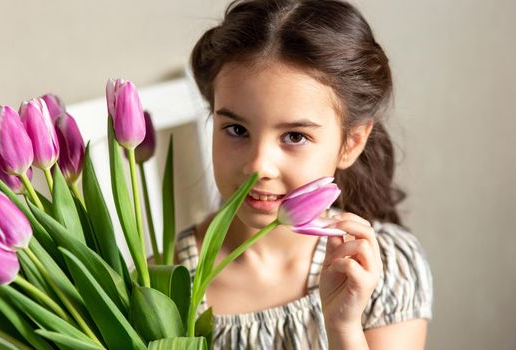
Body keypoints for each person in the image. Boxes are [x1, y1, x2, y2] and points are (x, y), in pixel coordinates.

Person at [176, 0, 433, 348]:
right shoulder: (166, 284)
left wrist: (343, 326)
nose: (259, 166)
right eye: (236, 129)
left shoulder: (385, 268)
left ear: (351, 143)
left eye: (295, 136)